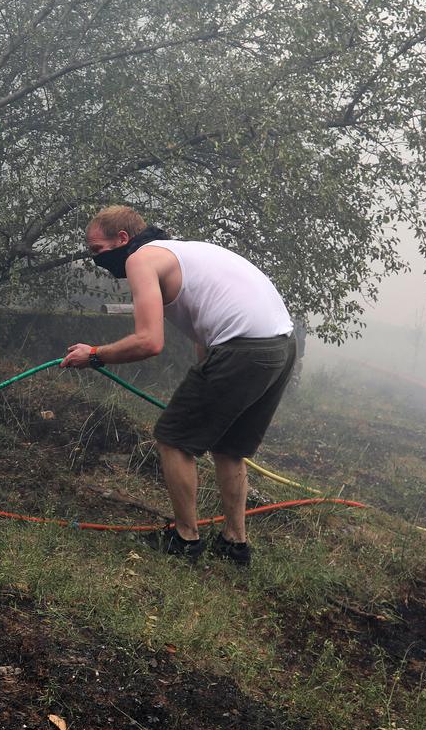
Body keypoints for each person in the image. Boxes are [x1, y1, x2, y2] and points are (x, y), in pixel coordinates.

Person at [61, 205, 296, 566]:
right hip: (279, 345)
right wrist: (208, 384)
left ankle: (185, 539)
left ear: (123, 239)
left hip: (244, 349)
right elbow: (206, 329)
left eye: (97, 251)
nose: (95, 260)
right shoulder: (179, 252)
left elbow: (149, 342)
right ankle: (235, 545)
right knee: (229, 446)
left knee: (173, 437)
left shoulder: (140, 259)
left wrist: (94, 354)